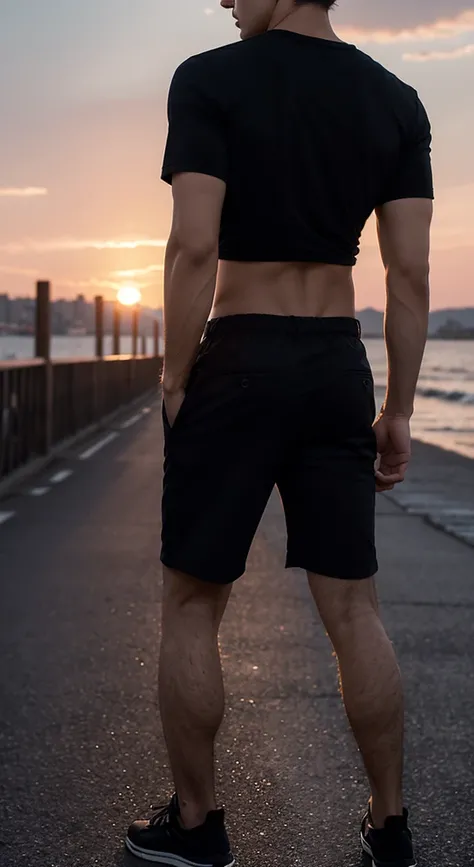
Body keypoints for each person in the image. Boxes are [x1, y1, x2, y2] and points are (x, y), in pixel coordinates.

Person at [125, 1, 433, 865]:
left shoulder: (211, 79)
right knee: (353, 607)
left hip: (241, 358)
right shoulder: (397, 99)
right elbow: (406, 273)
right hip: (336, 364)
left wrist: (175, 375)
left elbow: (193, 247)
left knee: (192, 600)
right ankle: (390, 828)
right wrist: (398, 409)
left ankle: (197, 828)